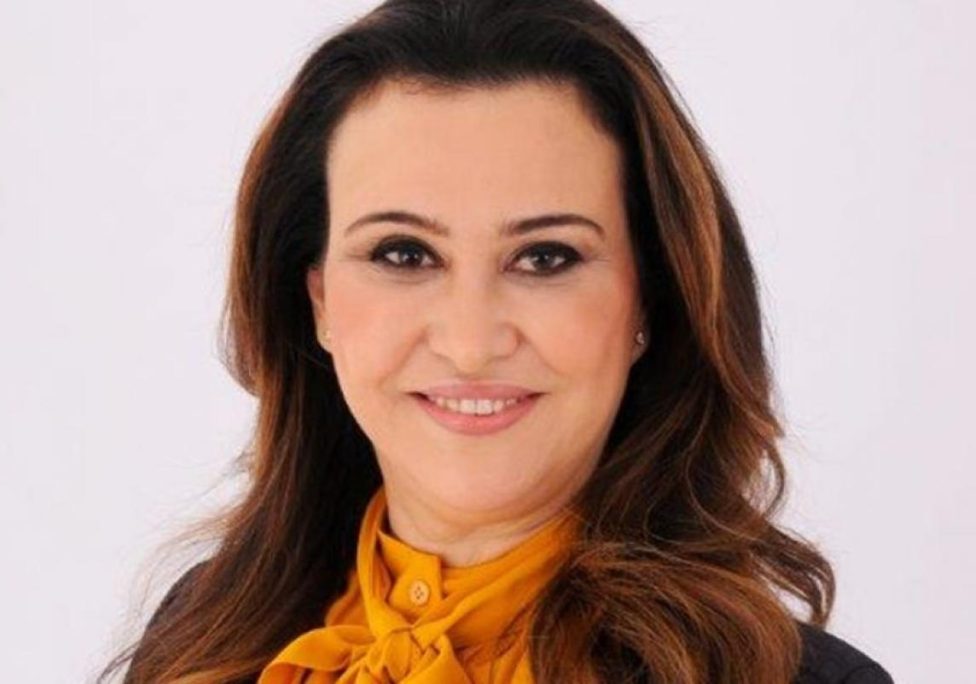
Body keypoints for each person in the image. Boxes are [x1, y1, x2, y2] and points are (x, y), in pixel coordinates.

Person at [101, 0, 894, 682]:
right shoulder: (203, 638)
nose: (471, 344)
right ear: (318, 302)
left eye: (545, 259)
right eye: (403, 255)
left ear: (650, 299)